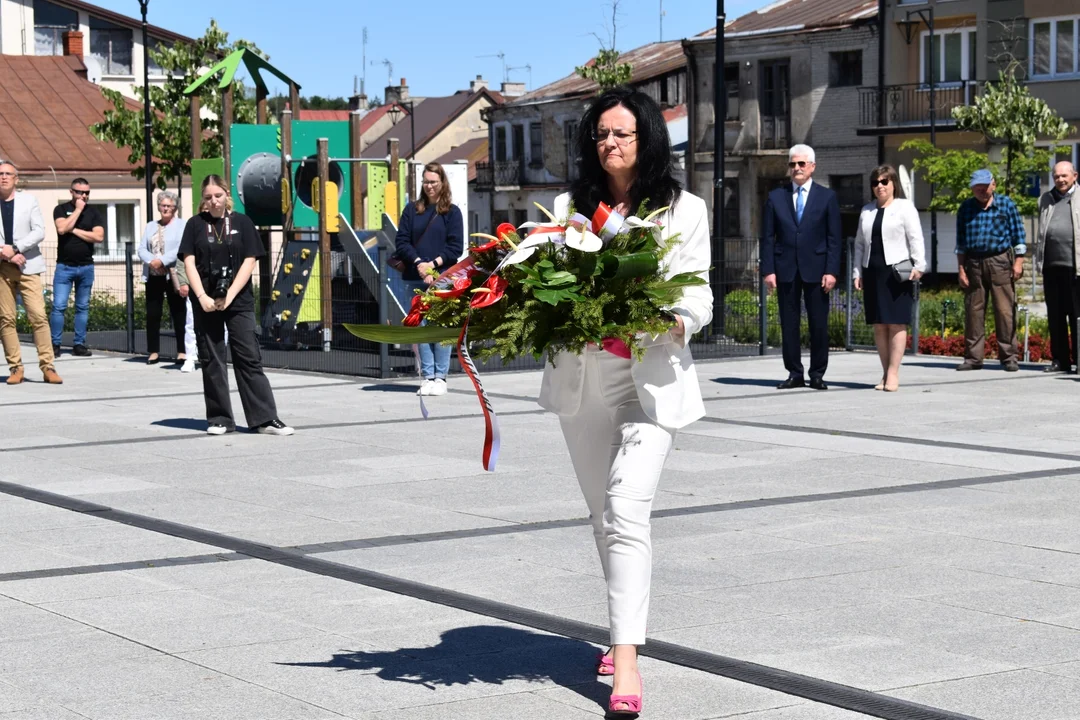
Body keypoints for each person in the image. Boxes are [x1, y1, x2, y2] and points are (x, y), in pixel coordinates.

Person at [538, 86, 712, 716]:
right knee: (601, 516)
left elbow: (699, 296)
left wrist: (674, 320)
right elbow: (549, 284)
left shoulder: (684, 209)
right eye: (601, 134)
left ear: (647, 140)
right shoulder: (567, 207)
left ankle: (627, 662)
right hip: (583, 379)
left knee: (625, 506)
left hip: (648, 378)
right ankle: (621, 631)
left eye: (621, 133)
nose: (609, 144)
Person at [178, 175, 292, 436]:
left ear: (226, 194)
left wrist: (228, 295)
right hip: (205, 300)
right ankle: (219, 419)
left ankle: (265, 418)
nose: (213, 201)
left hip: (237, 299)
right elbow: (189, 262)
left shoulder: (242, 222)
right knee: (212, 358)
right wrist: (202, 297)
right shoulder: (195, 225)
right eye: (208, 197)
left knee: (248, 356)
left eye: (217, 195)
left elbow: (250, 260)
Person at [761, 144, 842, 390]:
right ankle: (795, 373)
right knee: (789, 324)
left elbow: (834, 238)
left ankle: (817, 373)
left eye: (801, 164)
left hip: (817, 270)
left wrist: (831, 271)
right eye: (792, 164)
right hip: (785, 269)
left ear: (812, 167)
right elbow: (767, 237)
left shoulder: (827, 197)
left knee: (818, 324)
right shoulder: (776, 197)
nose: (796, 168)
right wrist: (768, 270)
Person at [852, 165, 926, 391]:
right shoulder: (867, 211)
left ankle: (893, 373)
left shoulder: (905, 208)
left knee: (896, 322)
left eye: (884, 181)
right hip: (872, 272)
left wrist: (919, 264)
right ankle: (884, 373)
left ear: (894, 183)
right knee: (879, 325)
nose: (880, 186)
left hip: (897, 272)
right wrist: (857, 271)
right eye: (875, 183)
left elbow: (916, 238)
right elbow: (859, 244)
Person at [393, 162, 463, 396]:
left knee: (441, 325)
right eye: (426, 182)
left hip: (443, 278)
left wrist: (432, 266)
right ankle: (428, 376)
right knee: (419, 327)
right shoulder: (412, 210)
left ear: (442, 183)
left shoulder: (452, 213)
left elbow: (456, 248)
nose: (430, 186)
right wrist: (419, 265)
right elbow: (401, 241)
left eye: (433, 181)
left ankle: (441, 377)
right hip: (414, 278)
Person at [956, 169, 1027, 372]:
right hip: (973, 262)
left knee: (1004, 311)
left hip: (1000, 261)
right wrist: (961, 269)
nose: (981, 190)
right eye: (977, 186)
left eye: (984, 186)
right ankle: (973, 358)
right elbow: (960, 243)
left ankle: (1009, 358)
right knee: (973, 311)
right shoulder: (966, 208)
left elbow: (1019, 236)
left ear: (993, 185)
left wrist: (1019, 263)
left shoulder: (1006, 205)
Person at [0, 161, 61, 385]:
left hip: (28, 265)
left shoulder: (29, 201)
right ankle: (16, 368)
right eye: (0, 174)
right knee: (6, 319)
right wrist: (6, 254)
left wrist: (16, 249)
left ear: (16, 178)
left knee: (39, 316)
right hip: (2, 268)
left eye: (8, 174)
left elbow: (39, 232)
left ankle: (48, 367)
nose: (3, 177)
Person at [51, 177, 104, 357]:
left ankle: (79, 344)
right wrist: (78, 211)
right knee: (59, 306)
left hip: (86, 267)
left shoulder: (94, 213)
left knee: (82, 307)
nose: (84, 196)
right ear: (71, 192)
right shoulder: (61, 209)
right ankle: (54, 344)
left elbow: (98, 237)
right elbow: (61, 229)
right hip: (64, 267)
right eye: (80, 192)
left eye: (87, 193)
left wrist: (73, 230)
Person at [1037, 161, 1079, 373]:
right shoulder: (1046, 199)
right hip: (1051, 266)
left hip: (1076, 267)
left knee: (1076, 315)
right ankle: (1061, 361)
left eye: (1064, 176)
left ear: (1074, 176)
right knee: (1055, 315)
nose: (1060, 180)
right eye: (1057, 177)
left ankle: (1079, 359)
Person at [138, 190, 188, 365]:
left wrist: (163, 260)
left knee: (179, 312)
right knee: (153, 313)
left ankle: (182, 351)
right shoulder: (151, 225)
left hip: (174, 274)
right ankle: (153, 351)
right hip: (154, 275)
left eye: (169, 206)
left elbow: (182, 247)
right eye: (162, 205)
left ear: (175, 208)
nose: (165, 208)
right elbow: (142, 248)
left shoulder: (182, 225)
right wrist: (153, 261)